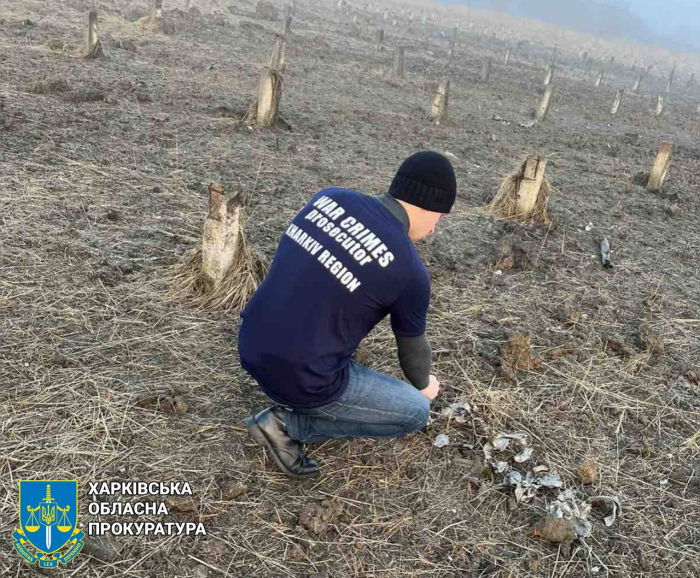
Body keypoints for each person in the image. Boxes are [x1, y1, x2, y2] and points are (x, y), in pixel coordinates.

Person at [238, 151, 457, 478]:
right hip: (301, 377)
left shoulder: (329, 198)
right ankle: (286, 424)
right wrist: (424, 385)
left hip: (250, 342)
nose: (434, 229)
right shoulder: (410, 271)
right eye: (439, 217)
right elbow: (412, 354)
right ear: (429, 207)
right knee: (414, 411)